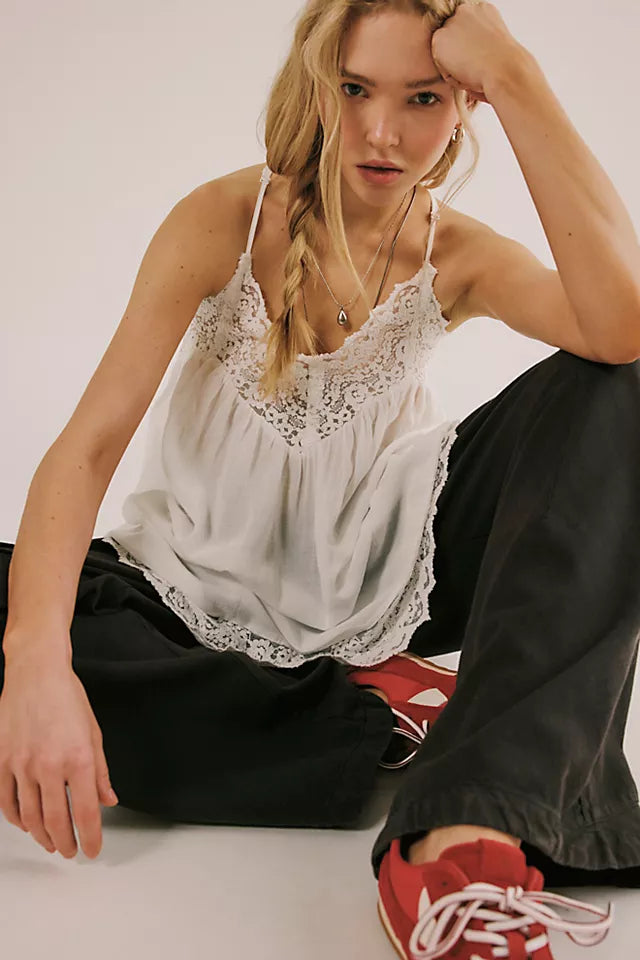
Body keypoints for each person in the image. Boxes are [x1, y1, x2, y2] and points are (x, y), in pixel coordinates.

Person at [2, 0, 640, 956]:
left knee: (620, 391)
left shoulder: (456, 255)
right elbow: (87, 446)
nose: (381, 132)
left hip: (390, 575)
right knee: (21, 629)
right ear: (316, 85)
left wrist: (515, 73)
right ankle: (377, 715)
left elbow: (620, 328)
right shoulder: (225, 219)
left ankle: (457, 834)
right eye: (354, 90)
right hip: (183, 596)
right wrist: (39, 666)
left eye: (422, 98)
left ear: (462, 105)